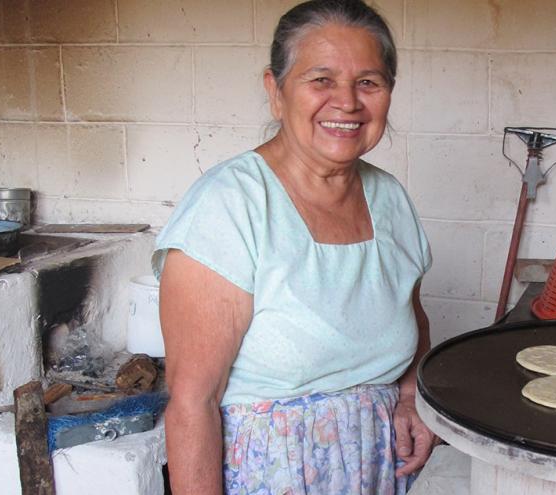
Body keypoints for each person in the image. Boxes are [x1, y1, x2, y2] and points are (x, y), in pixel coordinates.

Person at [152, 1, 436, 493]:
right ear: (275, 90)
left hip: (379, 468)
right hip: (273, 474)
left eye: (368, 82)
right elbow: (191, 404)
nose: (347, 103)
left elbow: (410, 318)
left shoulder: (389, 198)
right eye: (321, 80)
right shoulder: (229, 206)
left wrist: (411, 395)